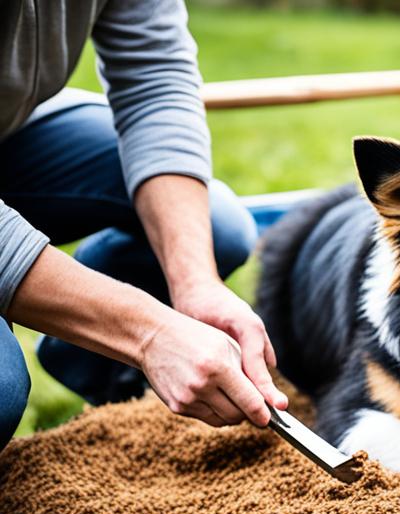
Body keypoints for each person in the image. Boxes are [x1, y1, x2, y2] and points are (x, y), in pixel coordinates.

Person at [0, 0, 288, 452]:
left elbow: (155, 83)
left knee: (216, 227)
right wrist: (148, 332)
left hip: (11, 128)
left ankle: (97, 382)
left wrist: (197, 284)